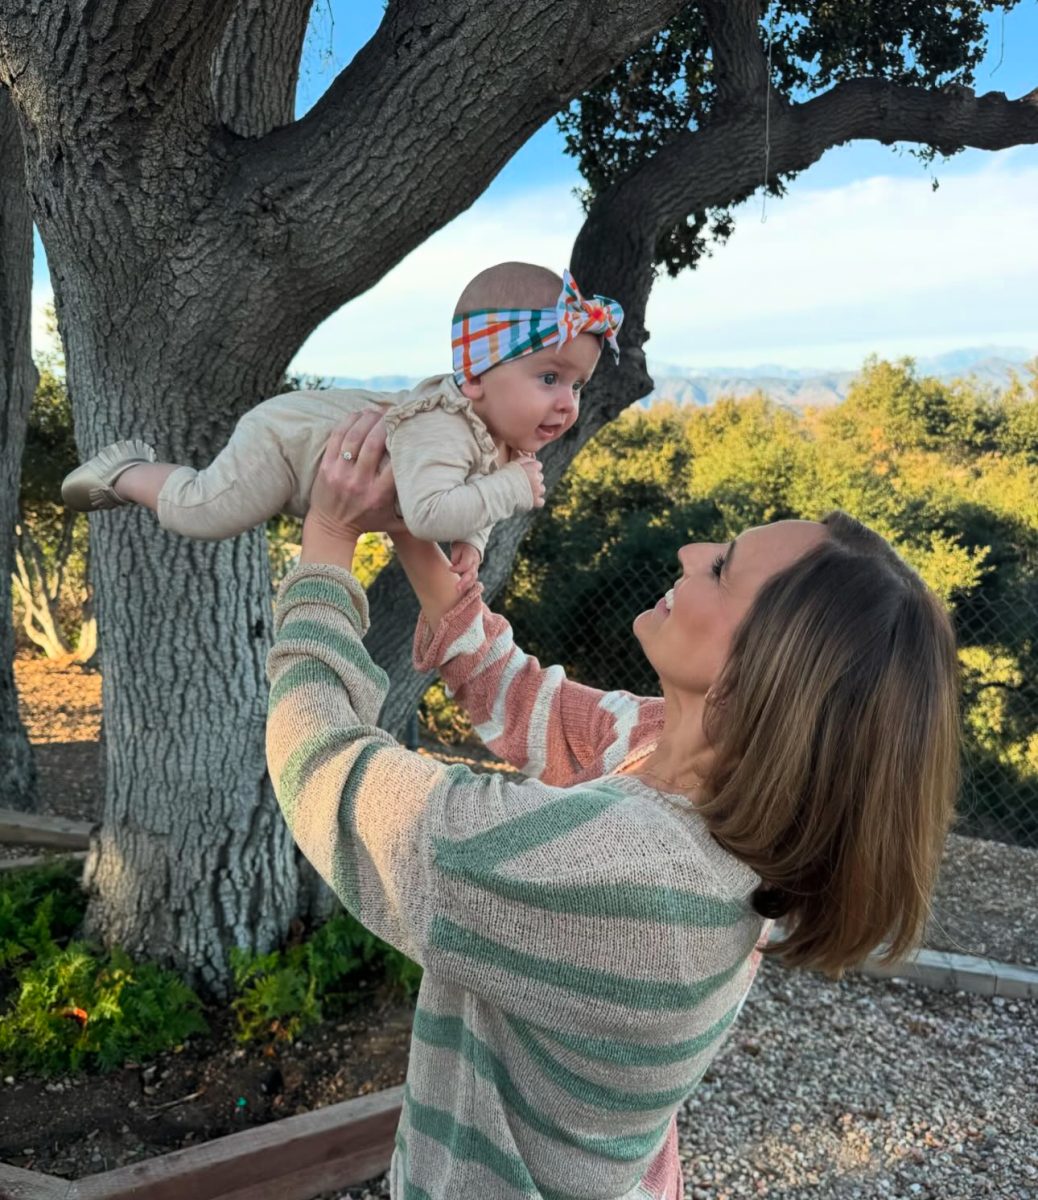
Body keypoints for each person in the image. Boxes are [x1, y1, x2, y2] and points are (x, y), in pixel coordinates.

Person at [265, 412, 960, 1200]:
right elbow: (520, 695)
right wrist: (411, 532)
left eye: (724, 569)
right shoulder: (683, 761)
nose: (691, 552)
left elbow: (324, 769)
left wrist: (326, 539)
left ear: (751, 681)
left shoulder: (624, 876)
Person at [60, 263, 622, 591]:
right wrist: (510, 492)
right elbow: (428, 514)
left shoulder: (496, 439)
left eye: (577, 385)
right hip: (286, 445)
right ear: (474, 378)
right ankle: (129, 471)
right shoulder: (442, 426)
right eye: (549, 377)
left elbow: (467, 495)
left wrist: (471, 540)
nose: (568, 403)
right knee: (204, 511)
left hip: (328, 473)